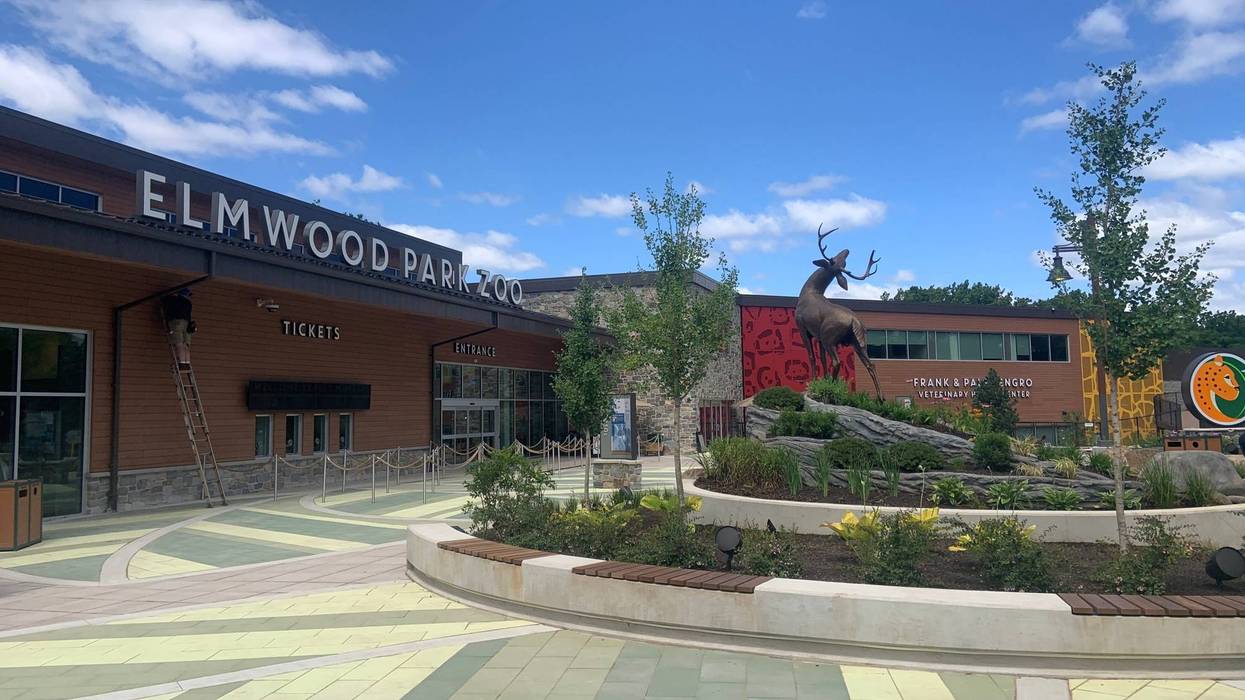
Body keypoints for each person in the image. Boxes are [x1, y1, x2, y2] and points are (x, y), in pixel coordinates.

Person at [162, 289, 194, 368]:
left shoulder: (174, 300)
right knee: (186, 345)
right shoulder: (188, 303)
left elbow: (164, 301)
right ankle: (187, 364)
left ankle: (182, 364)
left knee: (179, 344)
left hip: (176, 322)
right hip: (187, 324)